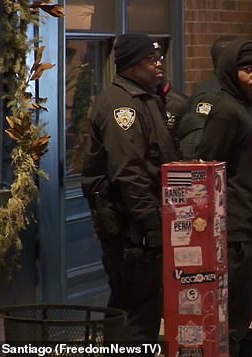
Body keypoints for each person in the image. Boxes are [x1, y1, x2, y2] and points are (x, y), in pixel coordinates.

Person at [80, 33, 180, 341]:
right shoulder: (121, 106)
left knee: (132, 305)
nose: (158, 64)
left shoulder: (145, 98)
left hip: (139, 224)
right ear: (130, 65)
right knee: (138, 311)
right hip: (129, 228)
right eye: (150, 60)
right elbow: (130, 172)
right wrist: (150, 223)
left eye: (159, 57)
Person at [196, 37, 252, 357]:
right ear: (230, 72)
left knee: (243, 302)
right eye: (247, 69)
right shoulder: (226, 112)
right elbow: (208, 164)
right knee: (233, 304)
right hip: (233, 224)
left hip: (248, 218)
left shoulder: (245, 108)